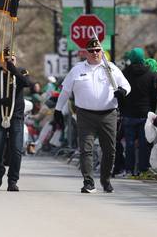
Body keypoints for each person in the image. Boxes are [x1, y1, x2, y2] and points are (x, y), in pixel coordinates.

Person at [55, 37, 131, 193]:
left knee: (109, 150)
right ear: (86, 53)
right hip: (85, 114)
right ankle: (88, 182)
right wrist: (57, 110)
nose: (95, 53)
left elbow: (126, 85)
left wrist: (122, 92)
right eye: (91, 51)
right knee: (86, 149)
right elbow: (65, 91)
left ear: (102, 52)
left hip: (108, 114)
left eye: (98, 51)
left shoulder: (110, 68)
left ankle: (106, 180)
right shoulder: (77, 69)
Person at [0, 46, 31, 192]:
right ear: (1, 60)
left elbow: (27, 83)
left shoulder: (21, 72)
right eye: (6, 60)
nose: (9, 61)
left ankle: (13, 180)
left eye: (12, 59)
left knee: (16, 148)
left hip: (16, 116)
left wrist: (13, 70)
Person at [120, 47, 157, 177]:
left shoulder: (124, 73)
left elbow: (121, 94)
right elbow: (154, 96)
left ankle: (129, 170)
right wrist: (152, 111)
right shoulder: (151, 74)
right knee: (144, 143)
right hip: (145, 113)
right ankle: (143, 169)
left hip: (129, 113)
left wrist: (122, 110)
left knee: (129, 144)